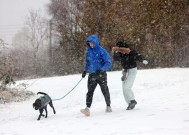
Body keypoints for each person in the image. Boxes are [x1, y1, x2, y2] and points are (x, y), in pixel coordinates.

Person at [81, 34, 112, 116]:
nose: (90, 45)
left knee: (105, 90)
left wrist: (102, 70)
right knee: (90, 92)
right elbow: (87, 63)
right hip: (92, 75)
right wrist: (84, 71)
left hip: (101, 75)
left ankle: (108, 106)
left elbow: (108, 62)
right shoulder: (88, 52)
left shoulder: (102, 51)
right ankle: (87, 109)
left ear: (95, 42)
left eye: (91, 43)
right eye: (89, 43)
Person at [112, 41, 148, 110]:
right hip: (125, 71)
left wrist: (142, 60)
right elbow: (116, 59)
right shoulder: (119, 53)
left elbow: (138, 56)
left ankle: (132, 100)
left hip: (132, 71)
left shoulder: (131, 52)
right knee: (124, 88)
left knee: (127, 87)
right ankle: (130, 103)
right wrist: (115, 52)